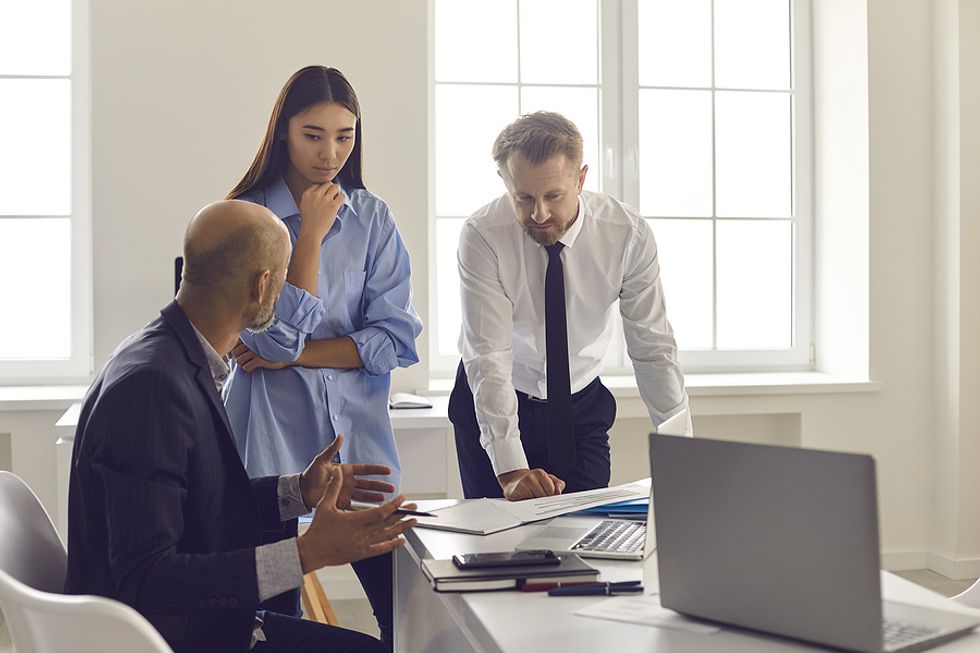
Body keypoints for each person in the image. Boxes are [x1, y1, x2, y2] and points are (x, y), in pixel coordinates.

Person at [64, 200, 415, 653]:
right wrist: (308, 552)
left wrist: (299, 490)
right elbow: (147, 577)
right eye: (287, 278)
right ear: (263, 285)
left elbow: (196, 502)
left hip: (201, 622)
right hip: (170, 637)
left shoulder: (174, 353)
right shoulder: (153, 385)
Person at [222, 66, 422, 646]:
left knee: (404, 614)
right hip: (270, 450)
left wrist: (295, 356)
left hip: (361, 443)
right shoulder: (246, 217)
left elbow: (394, 341)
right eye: (313, 134)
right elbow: (266, 342)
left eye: (344, 135)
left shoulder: (374, 218)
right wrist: (308, 233)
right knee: (277, 620)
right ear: (282, 131)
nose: (330, 152)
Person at [450, 111, 692, 502]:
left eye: (553, 196)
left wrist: (683, 453)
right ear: (505, 182)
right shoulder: (482, 236)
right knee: (497, 552)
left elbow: (653, 349)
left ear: (581, 179)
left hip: (580, 405)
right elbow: (488, 356)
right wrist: (511, 469)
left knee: (586, 542)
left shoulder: (626, 235)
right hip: (497, 398)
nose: (539, 214)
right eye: (524, 198)